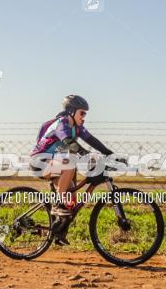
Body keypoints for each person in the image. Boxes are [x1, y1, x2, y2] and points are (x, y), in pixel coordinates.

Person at [31, 95, 114, 245]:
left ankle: (58, 233)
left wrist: (110, 154)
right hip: (40, 162)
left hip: (56, 163)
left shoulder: (77, 128)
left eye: (85, 114)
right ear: (71, 112)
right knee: (71, 161)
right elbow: (67, 141)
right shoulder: (62, 123)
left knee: (72, 201)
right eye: (82, 113)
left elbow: (92, 140)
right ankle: (58, 204)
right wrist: (86, 154)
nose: (84, 117)